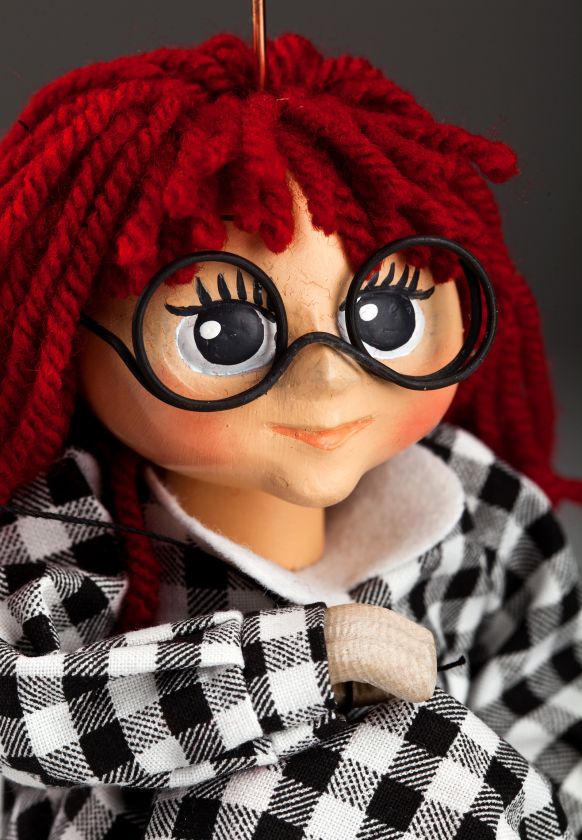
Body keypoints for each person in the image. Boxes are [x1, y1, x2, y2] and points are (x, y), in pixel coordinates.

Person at [0, 32, 580, 840]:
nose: (330, 379)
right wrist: (302, 664)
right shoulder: (62, 533)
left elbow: (544, 685)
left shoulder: (479, 508)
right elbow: (25, 717)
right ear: (65, 334)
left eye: (387, 315)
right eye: (223, 334)